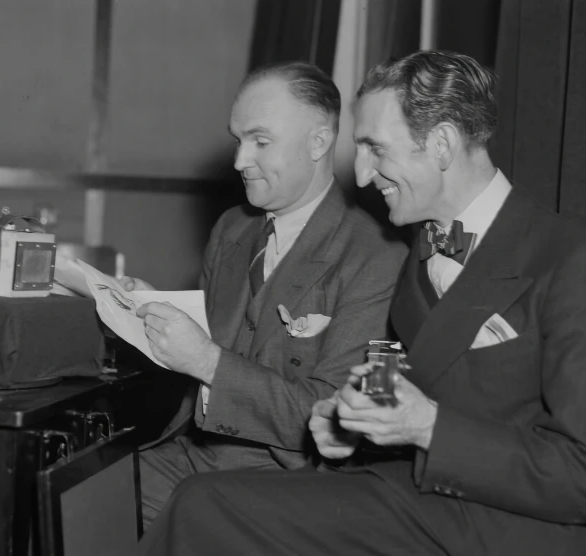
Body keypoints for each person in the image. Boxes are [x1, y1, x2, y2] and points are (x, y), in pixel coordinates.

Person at [139, 51, 586, 556]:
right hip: (414, 499)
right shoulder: (420, 251)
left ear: (440, 143)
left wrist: (430, 427)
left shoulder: (577, 264)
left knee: (205, 506)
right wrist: (349, 425)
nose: (360, 175)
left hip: (510, 530)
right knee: (201, 502)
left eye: (376, 149)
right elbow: (392, 391)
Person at [123, 61, 408, 527]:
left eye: (260, 141)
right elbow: (209, 341)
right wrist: (151, 311)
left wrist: (205, 361)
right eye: (238, 140)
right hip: (192, 452)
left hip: (291, 482)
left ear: (318, 142)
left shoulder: (376, 256)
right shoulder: (232, 228)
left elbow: (332, 419)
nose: (239, 161)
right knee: (75, 495)